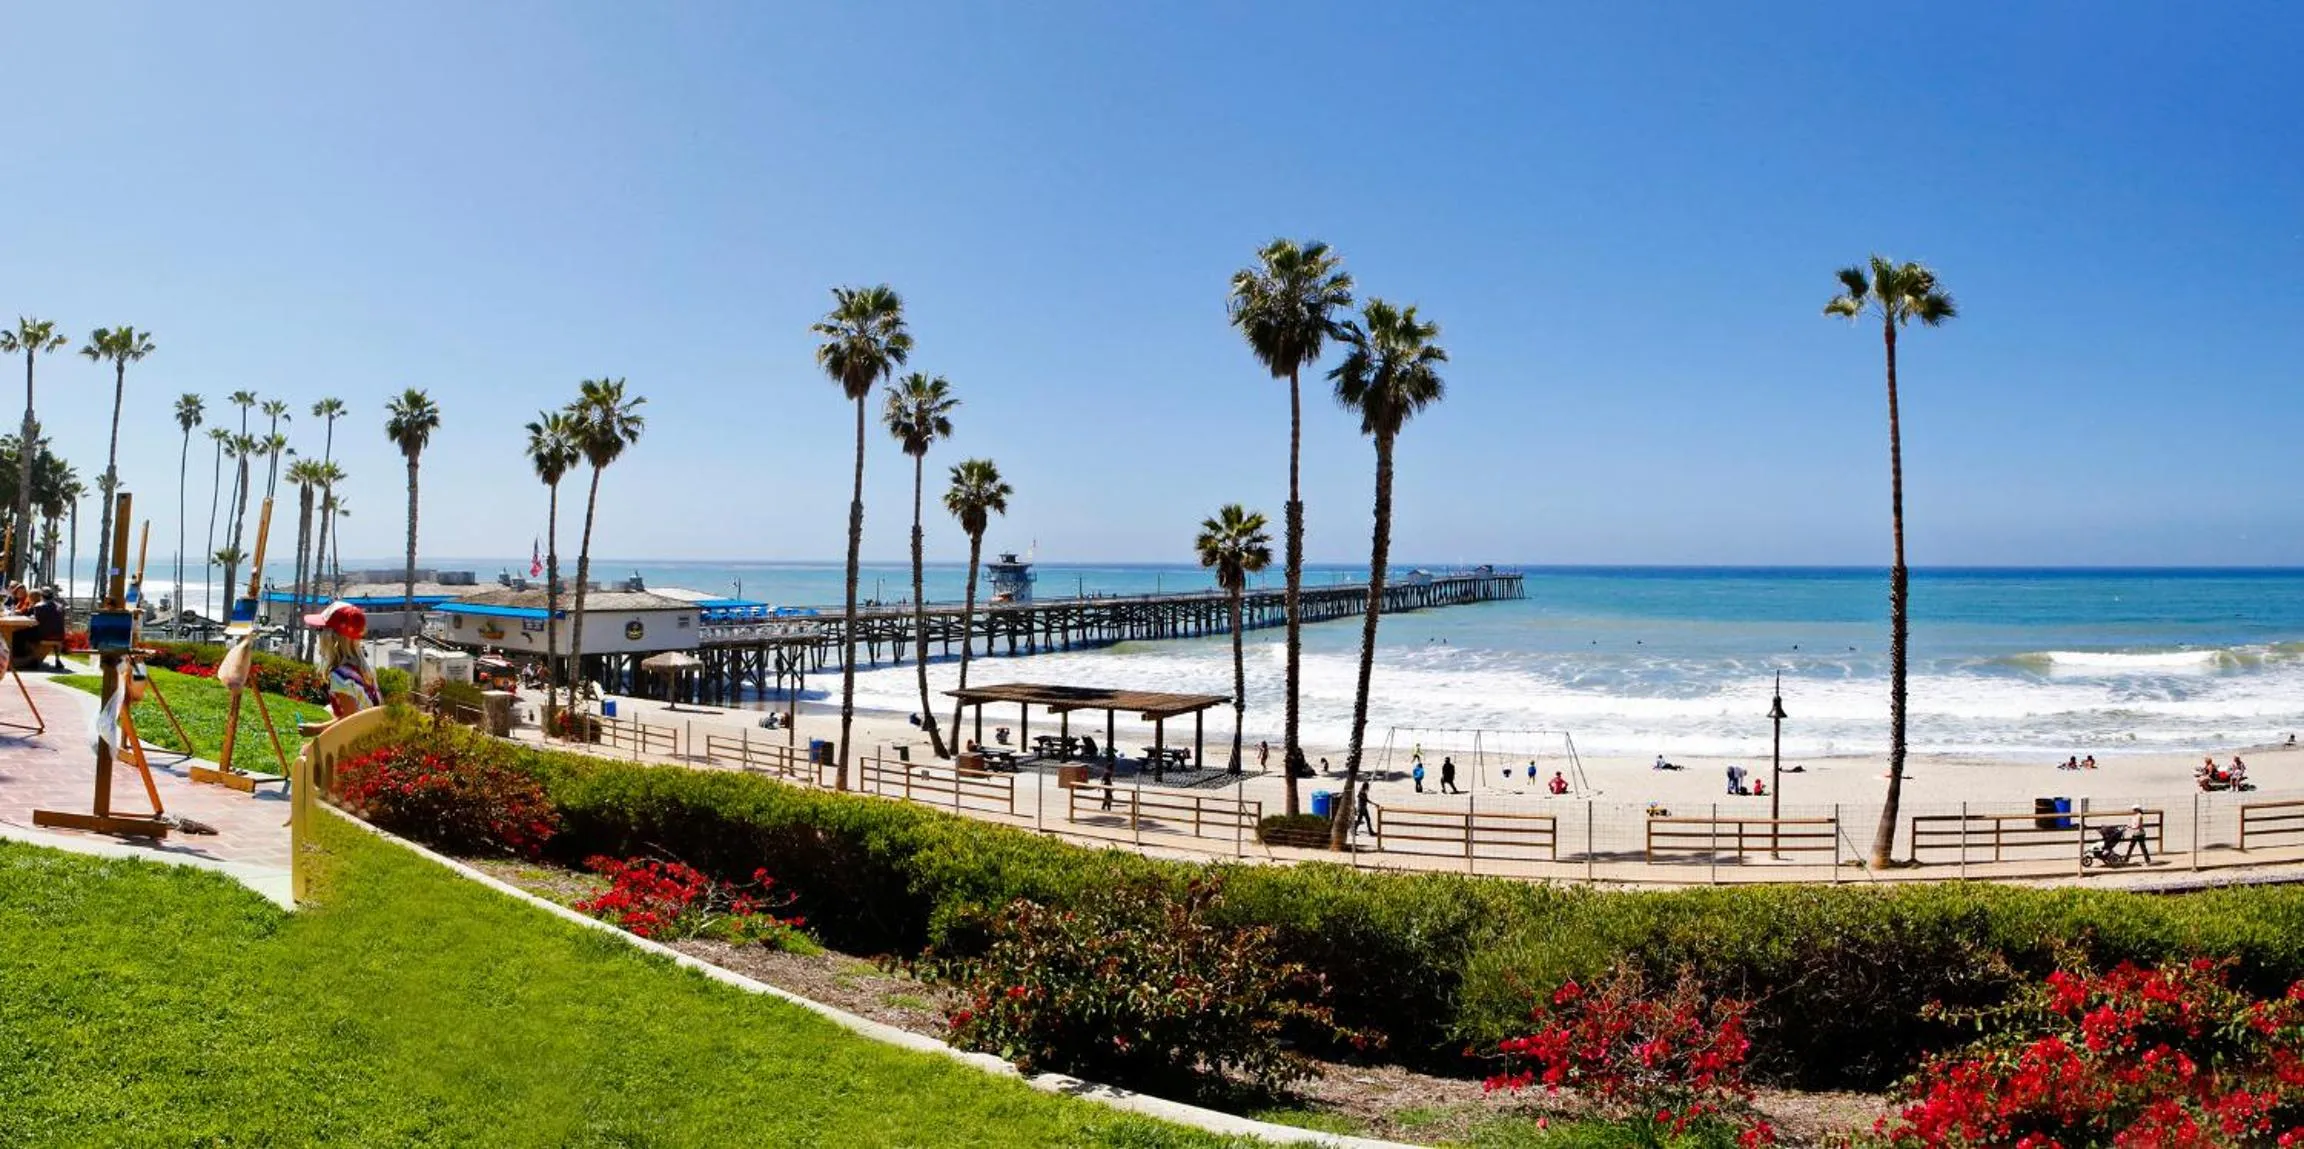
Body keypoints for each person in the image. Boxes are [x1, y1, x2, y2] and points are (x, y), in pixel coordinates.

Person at [305, 601, 381, 719]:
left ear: (332, 637)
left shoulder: (340, 676)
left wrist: (313, 729)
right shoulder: (366, 670)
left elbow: (348, 721)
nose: (318, 635)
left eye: (320, 629)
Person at [29, 588, 65, 669]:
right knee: (56, 635)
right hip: (60, 635)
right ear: (52, 596)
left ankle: (35, 658)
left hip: (44, 635)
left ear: (41, 596)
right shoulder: (60, 606)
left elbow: (36, 620)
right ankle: (58, 659)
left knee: (26, 635)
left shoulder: (38, 606)